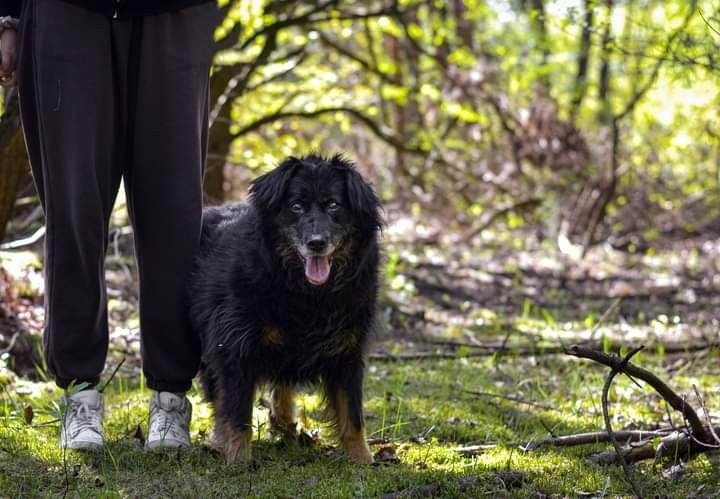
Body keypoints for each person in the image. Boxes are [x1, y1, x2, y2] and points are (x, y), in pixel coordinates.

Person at [0, 0, 221, 451]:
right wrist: (6, 17)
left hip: (176, 17)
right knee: (73, 209)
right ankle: (80, 395)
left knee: (174, 210)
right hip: (65, 14)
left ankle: (171, 397)